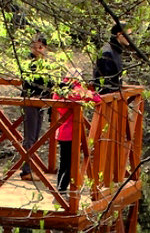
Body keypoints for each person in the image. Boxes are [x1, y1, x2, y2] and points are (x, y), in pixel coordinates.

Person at [53, 70, 100, 193]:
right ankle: (62, 189)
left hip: (61, 130)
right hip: (72, 131)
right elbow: (96, 98)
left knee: (63, 161)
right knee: (71, 163)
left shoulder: (58, 90)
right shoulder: (76, 89)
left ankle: (60, 187)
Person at [20, 34, 54, 180]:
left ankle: (30, 167)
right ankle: (26, 170)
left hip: (41, 102)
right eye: (33, 46)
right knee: (30, 136)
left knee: (36, 136)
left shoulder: (45, 63)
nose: (36, 49)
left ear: (44, 48)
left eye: (39, 47)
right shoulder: (29, 63)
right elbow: (32, 82)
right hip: (30, 101)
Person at [93, 22, 130, 94]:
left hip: (114, 96)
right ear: (119, 35)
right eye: (128, 35)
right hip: (107, 99)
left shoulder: (116, 50)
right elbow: (103, 82)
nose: (130, 38)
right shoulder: (107, 53)